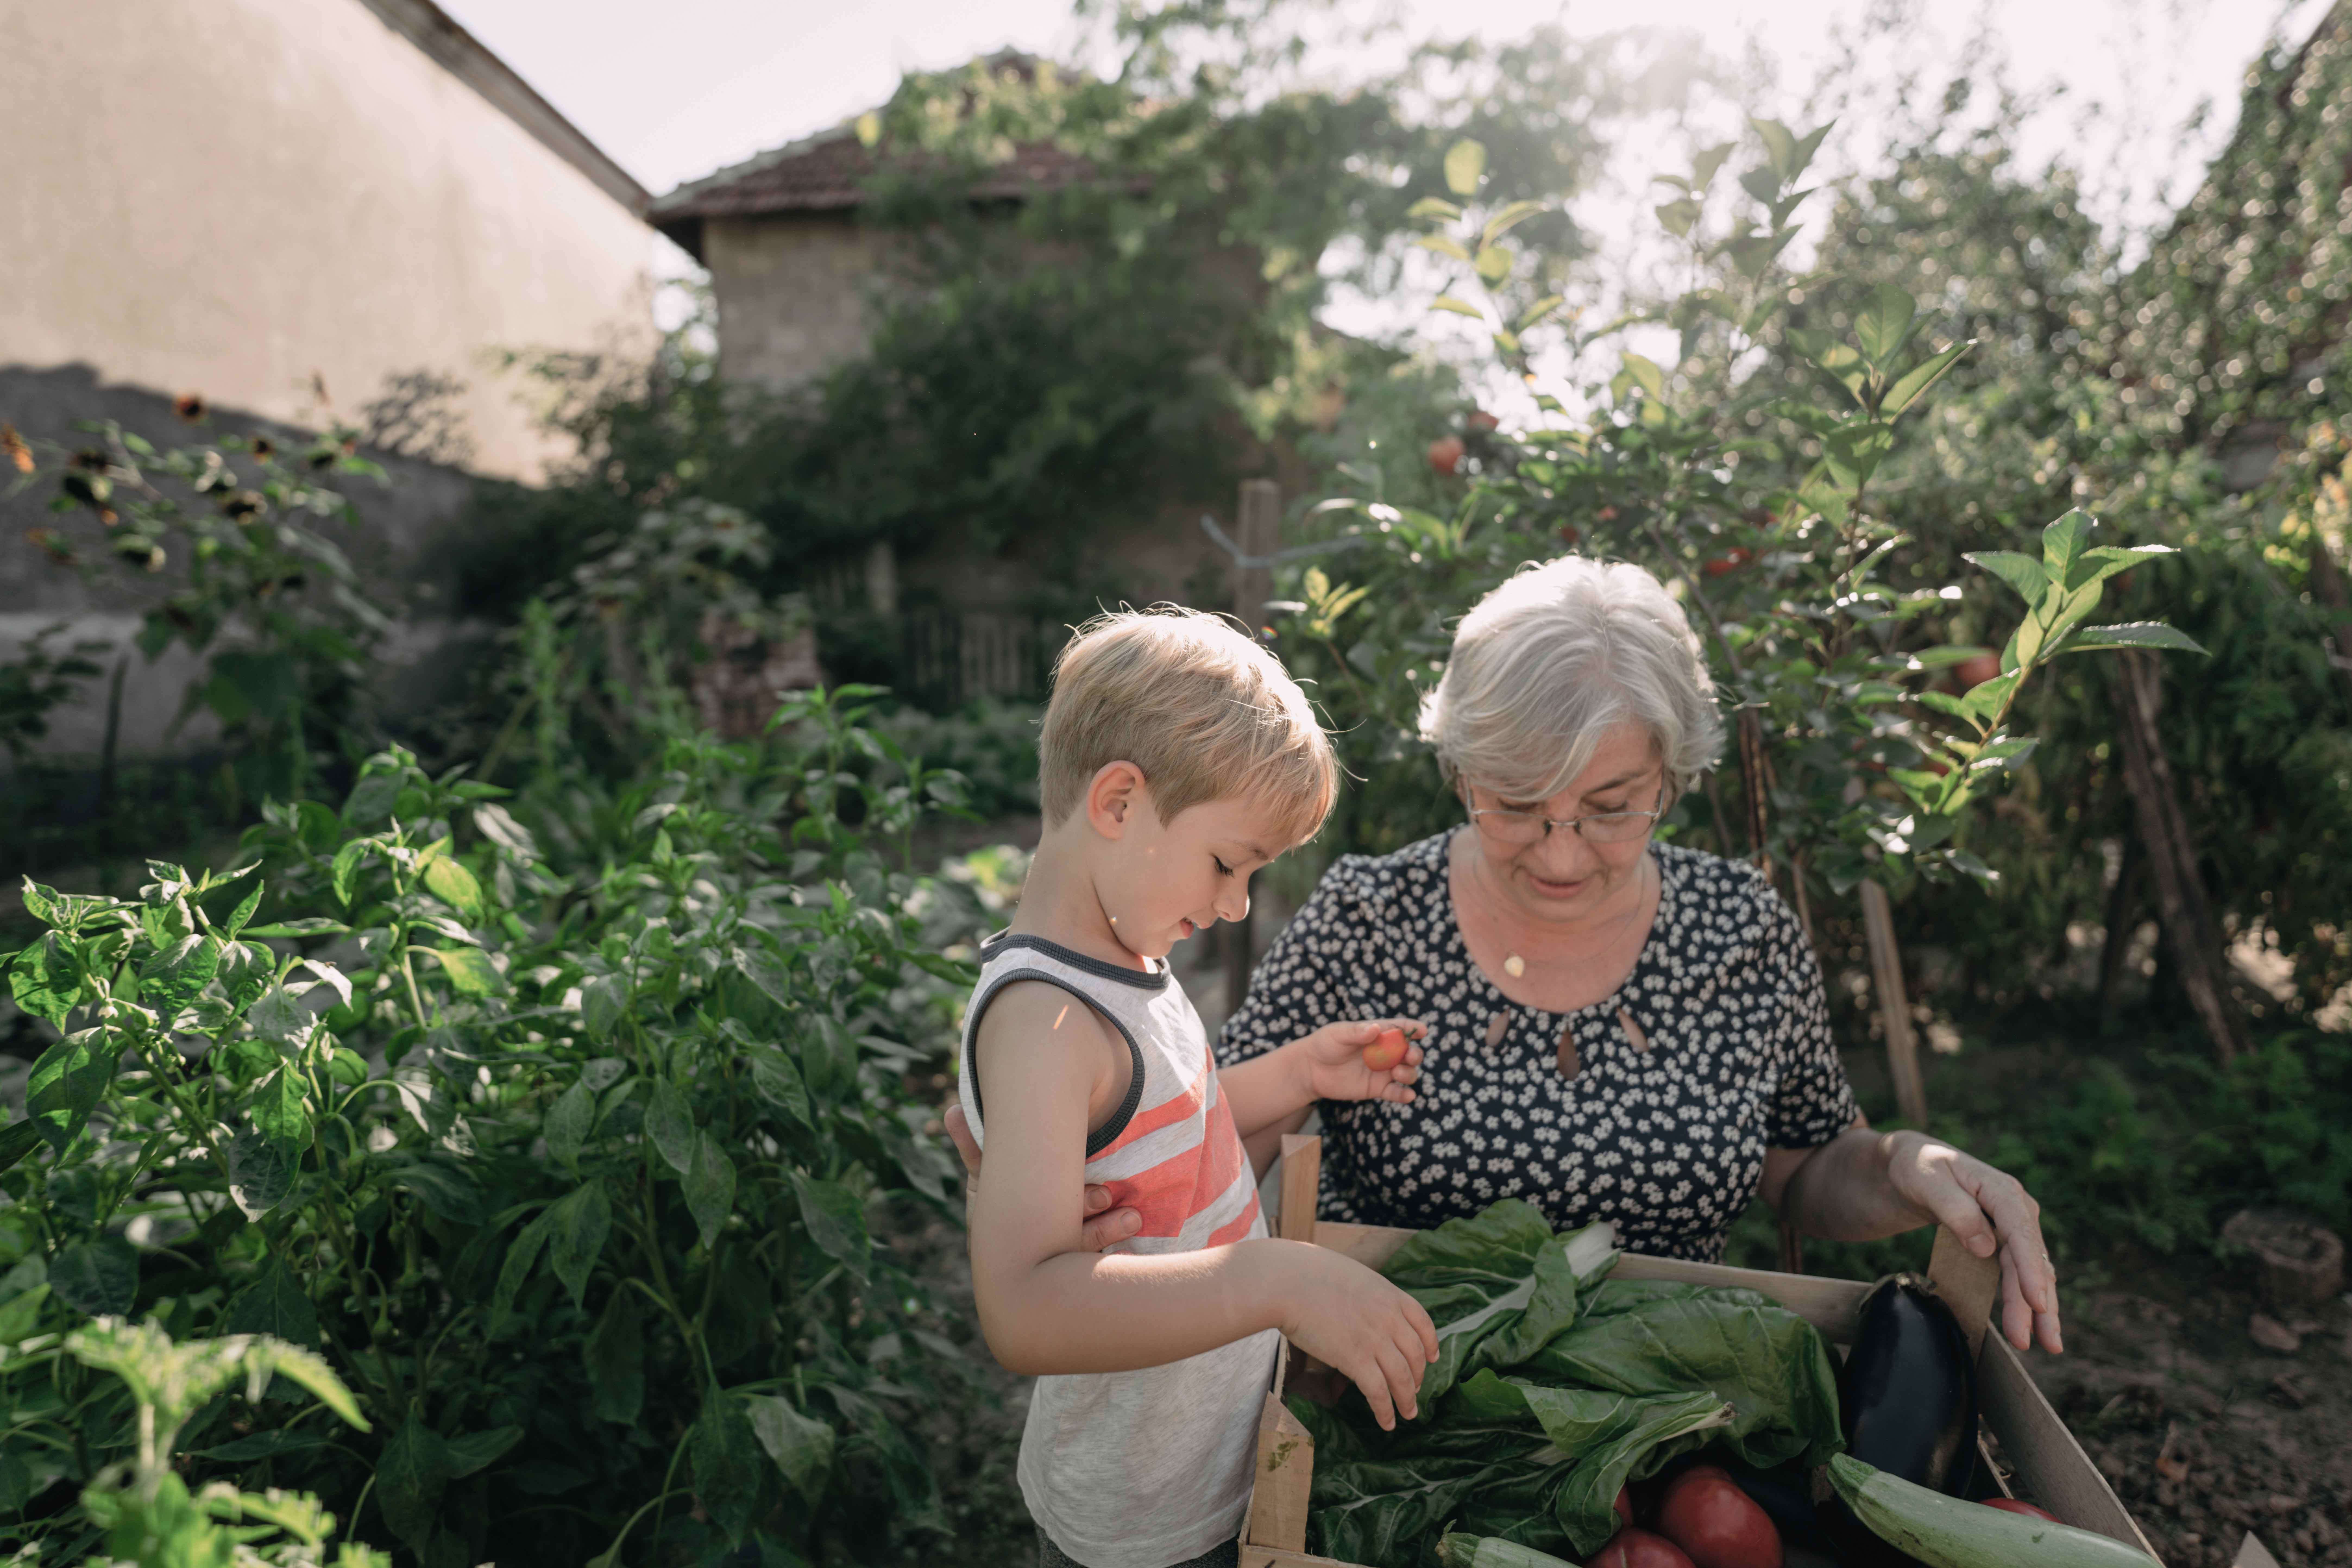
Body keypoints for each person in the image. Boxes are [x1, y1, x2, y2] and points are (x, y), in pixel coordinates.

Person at [1213, 555, 2065, 1356]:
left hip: (1663, 1396)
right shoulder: (1370, 919)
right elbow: (1213, 1141)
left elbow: (1804, 1166)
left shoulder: (1738, 930)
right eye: (1512, 804)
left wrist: (1902, 1166)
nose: (1560, 855)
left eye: (1611, 809)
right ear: (1460, 770)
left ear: (1669, 778)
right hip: (1399, 1394)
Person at [957, 607, 1440, 1568]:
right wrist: (1271, 1279)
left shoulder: (1122, 957)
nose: (1233, 904)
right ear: (1119, 803)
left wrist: (1301, 1072)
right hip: (1141, 1522)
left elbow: (1172, 1125)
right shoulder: (1045, 1027)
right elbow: (1021, 1308)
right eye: (1228, 862)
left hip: (1206, 1461)